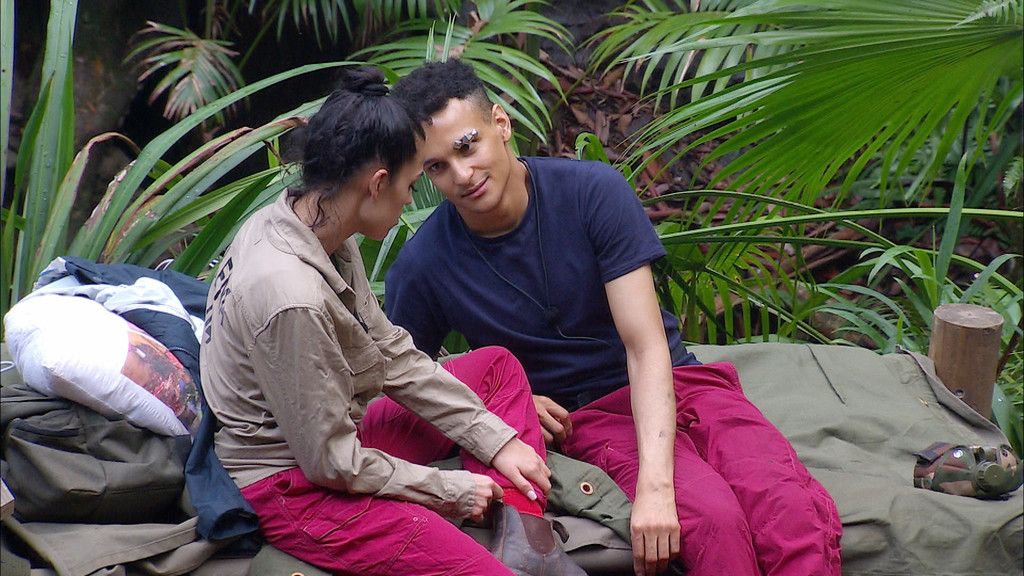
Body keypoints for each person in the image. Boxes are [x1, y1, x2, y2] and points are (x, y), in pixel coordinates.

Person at [385, 59, 843, 576]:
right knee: (713, 520)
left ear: (501, 124)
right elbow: (404, 385)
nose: (462, 175)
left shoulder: (592, 192)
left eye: (467, 146)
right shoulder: (424, 264)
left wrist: (655, 489)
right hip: (589, 418)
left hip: (679, 381)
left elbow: (645, 347)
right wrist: (500, 402)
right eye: (437, 167)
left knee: (788, 507)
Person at [200, 67, 586, 576]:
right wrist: (449, 489)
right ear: (378, 183)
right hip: (295, 487)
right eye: (411, 183)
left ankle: (529, 541)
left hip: (334, 433)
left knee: (494, 366)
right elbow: (331, 462)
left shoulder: (312, 222)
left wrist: (494, 438)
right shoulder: (290, 296)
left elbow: (391, 353)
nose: (410, 199)